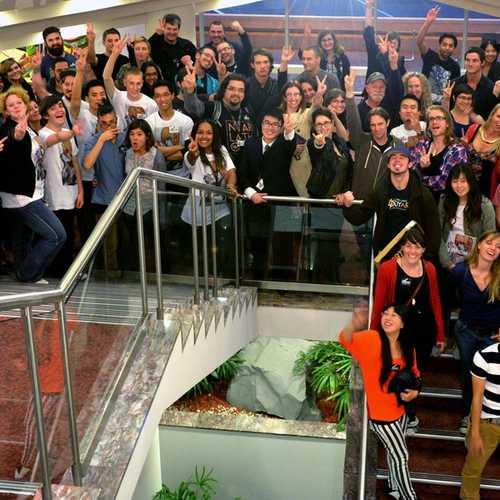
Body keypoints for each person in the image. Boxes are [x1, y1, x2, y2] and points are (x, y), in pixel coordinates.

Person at [340, 302, 420, 500]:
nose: (388, 318)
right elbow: (344, 339)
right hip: (381, 417)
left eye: (394, 315)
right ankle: (410, 497)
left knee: (395, 454)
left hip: (400, 410)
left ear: (403, 323)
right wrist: (354, 323)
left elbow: (416, 375)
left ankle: (394, 487)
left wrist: (414, 393)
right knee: (401, 456)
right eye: (385, 313)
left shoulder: (408, 346)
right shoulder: (371, 339)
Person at [371, 227, 445, 430]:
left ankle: (410, 414)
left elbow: (435, 301)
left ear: (424, 250)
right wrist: (373, 334)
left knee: (415, 374)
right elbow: (379, 305)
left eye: (418, 247)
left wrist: (440, 332)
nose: (413, 251)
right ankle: (393, 413)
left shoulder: (429, 269)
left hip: (423, 331)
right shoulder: (387, 268)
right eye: (410, 246)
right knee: (396, 373)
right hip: (397, 333)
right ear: (402, 247)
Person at [0, 87, 66, 283]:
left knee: (24, 241)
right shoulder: (10, 129)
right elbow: (14, 139)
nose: (16, 107)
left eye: (18, 102)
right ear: (6, 111)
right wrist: (18, 134)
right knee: (56, 236)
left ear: (25, 103)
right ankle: (28, 273)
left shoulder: (29, 128)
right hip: (21, 197)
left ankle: (27, 274)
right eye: (10, 105)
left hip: (34, 192)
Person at [344, 145, 441, 261]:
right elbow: (360, 217)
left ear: (410, 164)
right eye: (393, 157)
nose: (397, 160)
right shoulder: (379, 191)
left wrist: (426, 257)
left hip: (414, 256)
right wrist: (348, 204)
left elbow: (434, 230)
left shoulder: (423, 194)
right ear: (388, 165)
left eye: (402, 157)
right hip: (386, 255)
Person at [449, 231, 500, 435]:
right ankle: (468, 416)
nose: (493, 249)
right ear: (478, 245)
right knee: (468, 374)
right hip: (466, 332)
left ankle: (486, 418)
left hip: (491, 335)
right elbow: (448, 300)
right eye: (490, 243)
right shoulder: (460, 272)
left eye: (498, 247)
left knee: (490, 376)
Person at [237, 110, 296, 279]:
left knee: (283, 246)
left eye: (275, 124)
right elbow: (242, 174)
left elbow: (290, 142)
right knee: (258, 244)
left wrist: (288, 131)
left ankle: (282, 284)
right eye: (266, 123)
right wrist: (251, 193)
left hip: (280, 204)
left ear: (280, 127)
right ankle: (257, 280)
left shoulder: (284, 144)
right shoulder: (250, 144)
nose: (270, 127)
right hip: (255, 203)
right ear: (261, 124)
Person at [181, 119, 237, 274]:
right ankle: (205, 280)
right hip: (198, 207)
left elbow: (231, 172)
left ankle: (219, 277)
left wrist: (231, 185)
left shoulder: (222, 151)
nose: (204, 136)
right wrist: (192, 152)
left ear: (215, 135)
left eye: (209, 132)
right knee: (202, 248)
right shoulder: (191, 153)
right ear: (194, 135)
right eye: (200, 132)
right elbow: (190, 160)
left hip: (220, 206)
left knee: (222, 244)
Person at [38, 95, 84, 276]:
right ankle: (57, 273)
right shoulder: (42, 135)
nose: (59, 110)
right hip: (53, 196)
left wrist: (80, 189)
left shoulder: (68, 133)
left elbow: (74, 161)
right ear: (44, 115)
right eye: (53, 108)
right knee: (58, 236)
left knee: (71, 234)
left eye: (60, 106)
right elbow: (52, 140)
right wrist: (69, 133)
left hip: (71, 192)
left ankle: (68, 271)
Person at [82, 103, 126, 276]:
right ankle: (111, 277)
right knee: (110, 244)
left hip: (126, 197)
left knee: (126, 242)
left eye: (112, 122)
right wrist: (101, 139)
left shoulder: (124, 138)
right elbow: (86, 165)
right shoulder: (93, 141)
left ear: (117, 120)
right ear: (99, 123)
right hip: (103, 199)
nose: (109, 127)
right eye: (104, 124)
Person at [121, 119, 166, 271]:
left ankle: (159, 272)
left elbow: (162, 186)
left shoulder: (156, 155)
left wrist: (161, 213)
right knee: (131, 243)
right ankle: (131, 273)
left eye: (139, 134)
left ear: (147, 136)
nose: (135, 138)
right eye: (132, 134)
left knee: (155, 242)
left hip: (149, 207)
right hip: (129, 206)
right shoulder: (126, 153)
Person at [182, 71, 256, 164]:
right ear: (224, 90)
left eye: (241, 90)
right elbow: (193, 108)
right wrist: (190, 92)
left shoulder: (248, 111)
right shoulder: (213, 108)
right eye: (231, 89)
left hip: (245, 168)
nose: (236, 93)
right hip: (219, 167)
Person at [460, 341, 500, 500]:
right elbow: (476, 398)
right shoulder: (484, 356)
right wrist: (475, 433)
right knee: (473, 469)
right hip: (487, 422)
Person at [439, 164, 496, 270]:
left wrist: (476, 266)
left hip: (475, 262)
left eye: (463, 181)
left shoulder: (485, 205)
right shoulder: (444, 201)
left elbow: (490, 239)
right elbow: (438, 234)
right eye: (455, 181)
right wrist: (447, 263)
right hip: (449, 259)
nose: (459, 186)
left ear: (471, 182)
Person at [410, 105, 468, 202]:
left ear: (447, 123)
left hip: (446, 204)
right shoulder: (422, 145)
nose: (435, 122)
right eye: (431, 119)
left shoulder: (457, 150)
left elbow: (445, 182)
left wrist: (420, 179)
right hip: (420, 201)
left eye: (439, 118)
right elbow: (409, 174)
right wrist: (420, 166)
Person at [103, 36, 158, 130]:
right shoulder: (118, 97)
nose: (135, 87)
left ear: (142, 83)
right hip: (121, 141)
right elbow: (106, 77)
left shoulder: (151, 104)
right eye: (131, 83)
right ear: (125, 83)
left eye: (138, 84)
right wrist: (114, 54)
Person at [416, 7, 461, 103]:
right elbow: (419, 41)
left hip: (441, 107)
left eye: (450, 45)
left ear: (454, 48)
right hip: (423, 103)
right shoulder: (430, 56)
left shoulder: (455, 66)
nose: (447, 48)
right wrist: (428, 22)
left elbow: (454, 90)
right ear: (439, 45)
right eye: (444, 44)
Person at [146, 80, 193, 170]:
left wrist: (161, 155)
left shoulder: (186, 121)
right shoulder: (148, 122)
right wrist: (180, 147)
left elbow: (188, 152)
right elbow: (150, 154)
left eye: (166, 94)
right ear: (154, 99)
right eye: (158, 96)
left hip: (182, 176)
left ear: (172, 95)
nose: (162, 99)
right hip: (157, 176)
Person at [148, 13, 197, 90]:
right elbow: (146, 48)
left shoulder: (187, 45)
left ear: (179, 29)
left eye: (174, 29)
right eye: (169, 29)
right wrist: (156, 34)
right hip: (162, 88)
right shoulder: (156, 44)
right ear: (164, 28)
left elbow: (196, 64)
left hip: (185, 88)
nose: (171, 32)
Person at [462, 103, 500, 199]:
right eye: (498, 116)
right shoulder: (474, 129)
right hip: (462, 185)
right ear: (492, 115)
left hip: (485, 192)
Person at [451, 47, 500, 122]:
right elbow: (447, 112)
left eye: (475, 61)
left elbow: (492, 118)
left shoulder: (491, 87)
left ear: (482, 62)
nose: (470, 64)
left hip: (481, 129)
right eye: (467, 60)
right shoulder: (453, 84)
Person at [357, 60, 404, 133]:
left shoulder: (391, 106)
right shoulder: (358, 111)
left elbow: (398, 89)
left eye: (381, 87)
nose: (378, 90)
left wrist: (394, 65)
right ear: (367, 88)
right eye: (374, 87)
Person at [363, 0, 406, 79]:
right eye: (389, 42)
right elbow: (368, 33)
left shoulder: (399, 61)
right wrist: (368, 8)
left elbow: (399, 81)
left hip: (388, 91)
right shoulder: (375, 52)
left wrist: (387, 54)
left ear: (398, 47)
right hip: (371, 90)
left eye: (395, 43)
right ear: (384, 42)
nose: (392, 45)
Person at [246, 47, 290, 123]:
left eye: (265, 62)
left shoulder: (276, 85)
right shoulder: (245, 85)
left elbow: (283, 84)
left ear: (270, 64)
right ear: (252, 65)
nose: (262, 66)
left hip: (271, 127)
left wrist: (284, 62)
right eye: (258, 63)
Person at [300, 25, 350, 89]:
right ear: (320, 42)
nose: (327, 43)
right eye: (324, 40)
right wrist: (306, 37)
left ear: (334, 40)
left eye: (329, 39)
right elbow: (302, 54)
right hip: (320, 91)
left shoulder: (343, 57)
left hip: (339, 93)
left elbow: (347, 76)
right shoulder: (317, 56)